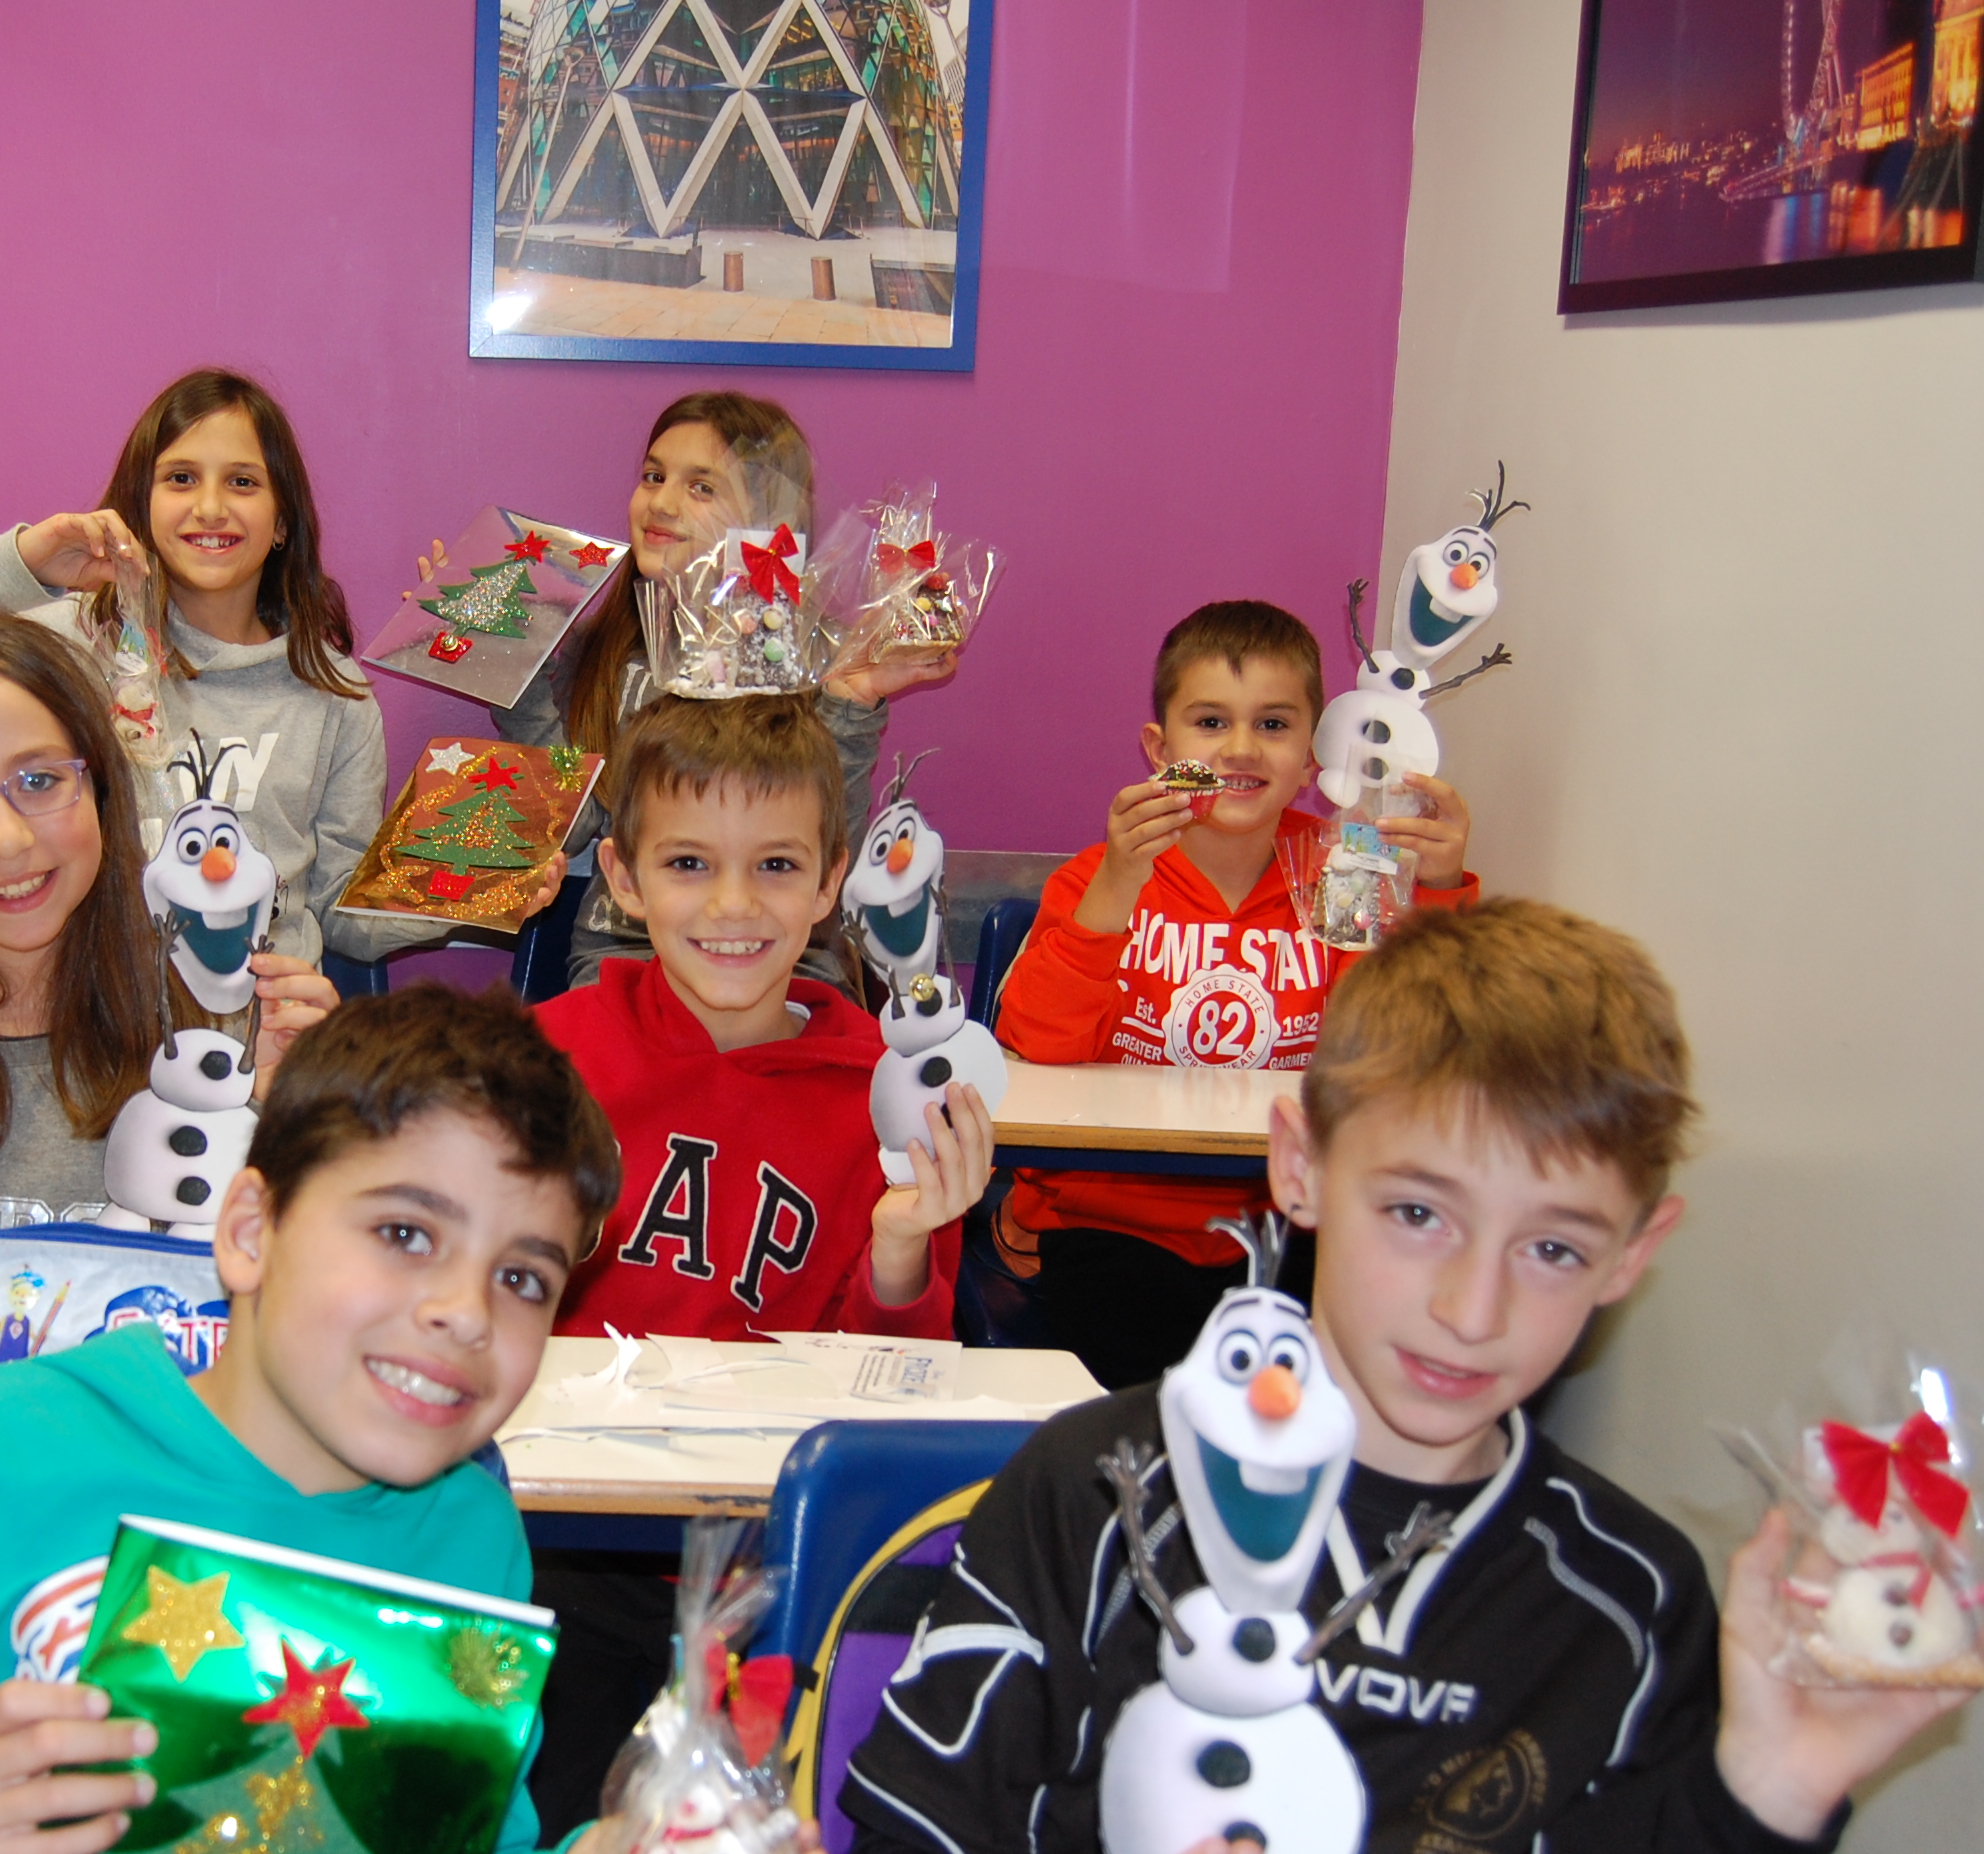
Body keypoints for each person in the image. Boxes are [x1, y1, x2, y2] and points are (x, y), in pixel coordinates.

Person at [839, 899, 1966, 1854]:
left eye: (1553, 1248)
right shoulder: (1097, 1483)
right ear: (1300, 1166)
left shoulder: (1626, 1605)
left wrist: (1771, 1791)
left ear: (1632, 1252)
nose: (1471, 1310)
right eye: (1418, 1214)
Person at [0, 984, 811, 1854]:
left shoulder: (468, 1537)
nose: (464, 1310)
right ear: (249, 1229)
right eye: (405, 1231)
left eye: (521, 1276)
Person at [989, 600, 1479, 1388]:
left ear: (1314, 756)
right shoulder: (1099, 876)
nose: (1242, 748)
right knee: (1151, 1376)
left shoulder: (1344, 868)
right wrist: (1118, 885)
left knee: (1346, 1346)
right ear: (1161, 750)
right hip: (1108, 1219)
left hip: (1285, 1212)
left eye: (1274, 725)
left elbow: (1402, 1041)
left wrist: (1438, 890)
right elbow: (1035, 1046)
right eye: (1211, 722)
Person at [0, 367, 470, 967]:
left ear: (282, 522)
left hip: (262, 1025)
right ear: (141, 503)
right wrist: (23, 564)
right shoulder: (75, 644)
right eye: (181, 478)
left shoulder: (335, 694)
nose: (211, 507)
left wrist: (478, 878)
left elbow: (342, 912)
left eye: (243, 482)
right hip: (98, 1018)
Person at [0, 605, 337, 1277]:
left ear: (98, 789)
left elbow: (294, 1295)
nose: (6, 839)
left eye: (39, 781)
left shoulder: (221, 1035)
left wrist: (301, 1119)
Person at [446, 390, 958, 990]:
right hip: (626, 957)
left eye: (701, 487)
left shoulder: (816, 657)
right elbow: (572, 822)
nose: (662, 502)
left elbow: (824, 848)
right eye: (653, 476)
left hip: (784, 962)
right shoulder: (602, 652)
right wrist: (508, 667)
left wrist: (852, 701)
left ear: (769, 521)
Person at [535, 692, 992, 1345]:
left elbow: (899, 1375)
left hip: (789, 1415)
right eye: (688, 863)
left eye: (776, 865)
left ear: (829, 883)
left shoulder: (891, 1098)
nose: (734, 904)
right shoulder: (537, 1063)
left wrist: (899, 1246)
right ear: (625, 880)